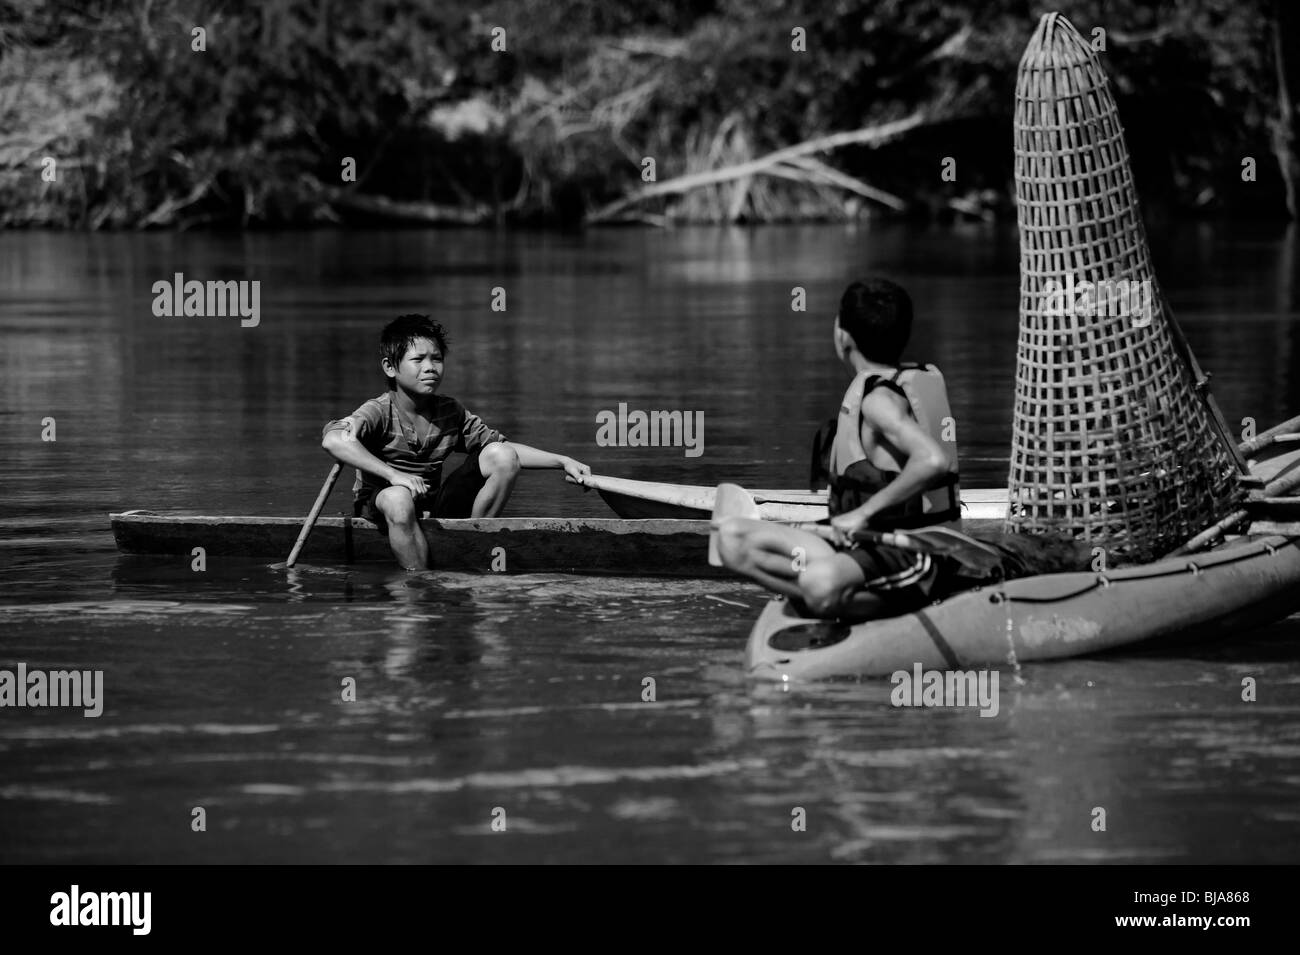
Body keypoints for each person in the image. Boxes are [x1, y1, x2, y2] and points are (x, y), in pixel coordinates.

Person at [716, 279, 965, 620]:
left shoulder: (880, 401)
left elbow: (932, 460)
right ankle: (834, 593)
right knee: (730, 536)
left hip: (914, 553)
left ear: (842, 336)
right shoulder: (876, 390)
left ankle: (839, 599)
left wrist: (860, 514)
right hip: (862, 546)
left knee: (818, 581)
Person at [322, 314, 589, 569]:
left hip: (432, 504)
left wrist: (562, 461)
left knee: (503, 456)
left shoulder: (450, 411)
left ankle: (471, 542)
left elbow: (504, 449)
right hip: (382, 506)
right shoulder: (378, 411)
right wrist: (394, 475)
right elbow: (335, 441)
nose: (430, 367)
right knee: (398, 498)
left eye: (436, 359)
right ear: (390, 367)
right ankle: (420, 584)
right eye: (418, 360)